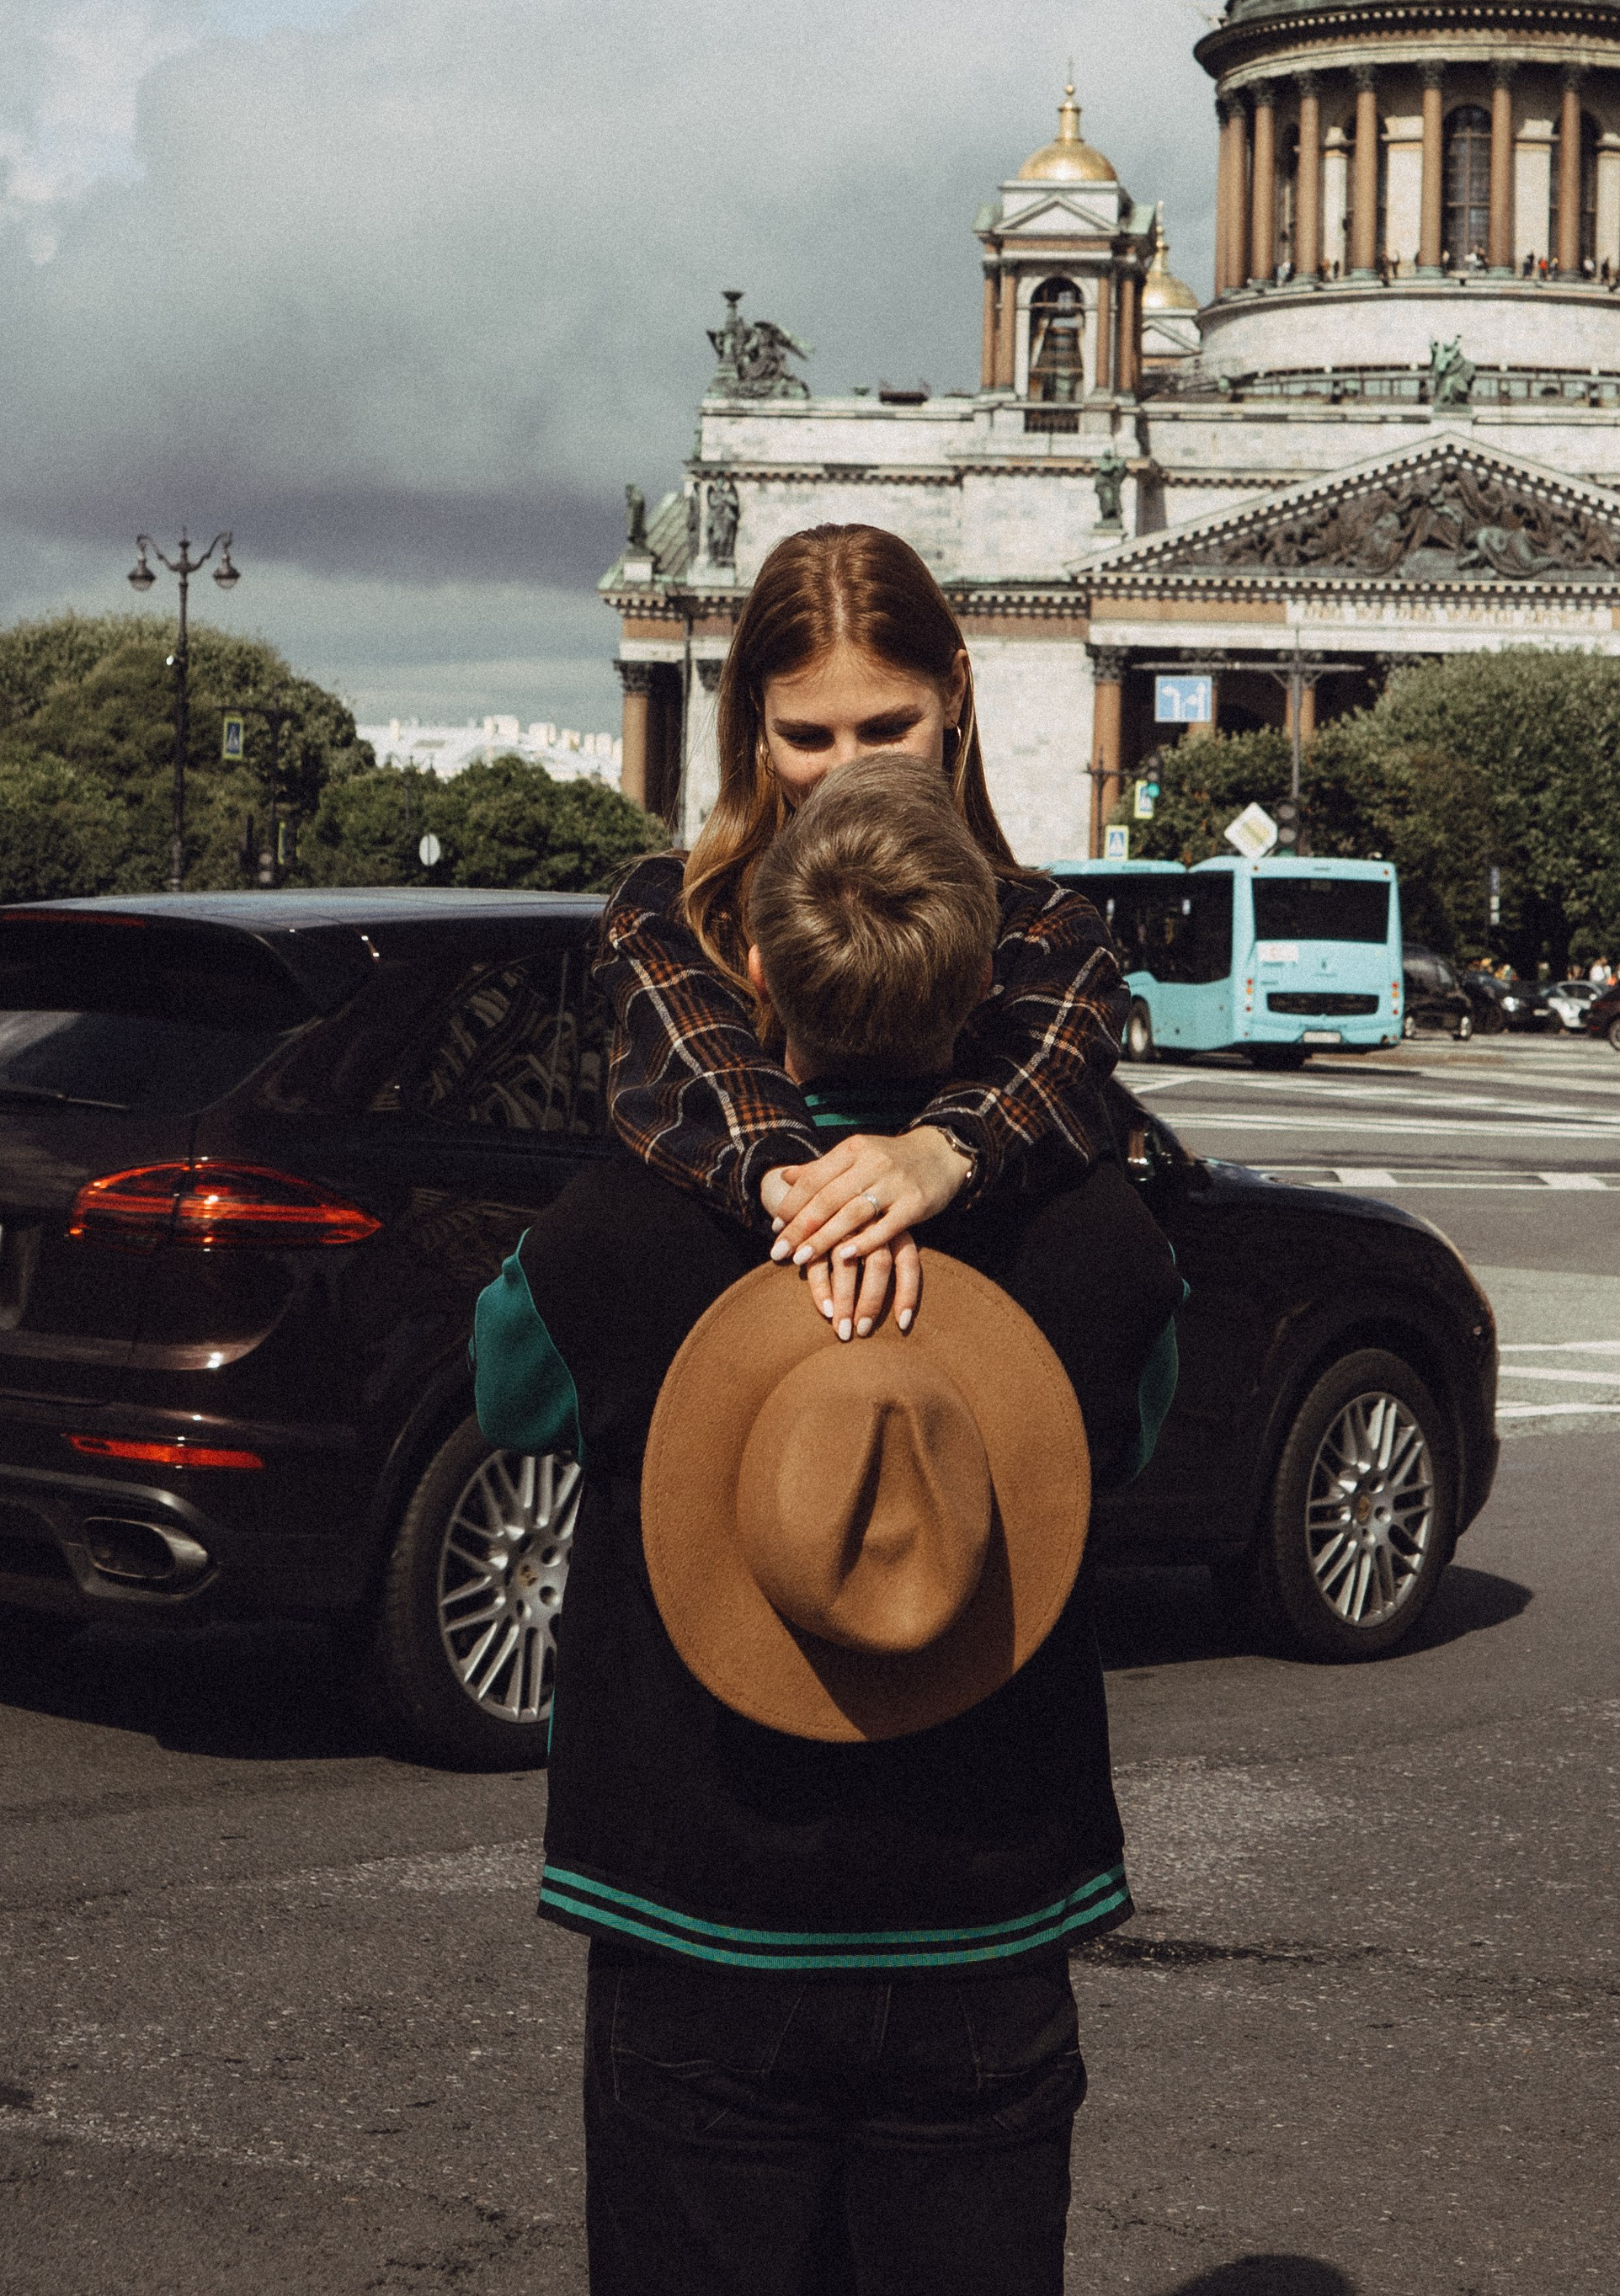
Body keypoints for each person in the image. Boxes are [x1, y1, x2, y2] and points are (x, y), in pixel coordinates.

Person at [475, 751, 1180, 2296]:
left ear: (752, 970)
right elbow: (1122, 1443)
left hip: (695, 1903)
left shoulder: (631, 1223)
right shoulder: (1093, 1237)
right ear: (987, 978)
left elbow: (511, 1391)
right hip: (987, 1911)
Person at [599, 520, 1134, 1329]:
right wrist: (833, 1198)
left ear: (955, 692)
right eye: (807, 737)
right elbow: (703, 1067)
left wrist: (939, 1153)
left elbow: (1057, 1060)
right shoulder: (675, 910)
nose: (850, 773)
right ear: (756, 718)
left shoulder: (1048, 931)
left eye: (887, 729)